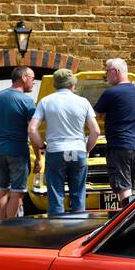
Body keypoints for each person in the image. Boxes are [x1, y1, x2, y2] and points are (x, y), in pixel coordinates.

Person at [29, 68, 99, 216]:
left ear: (56, 84)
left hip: (55, 151)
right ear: (72, 85)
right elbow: (96, 131)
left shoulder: (45, 101)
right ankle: (79, 226)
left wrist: (42, 146)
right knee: (79, 192)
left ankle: (57, 229)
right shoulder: (83, 102)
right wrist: (86, 149)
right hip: (77, 150)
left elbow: (32, 129)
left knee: (55, 194)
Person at [0, 66, 40, 220]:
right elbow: (32, 130)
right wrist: (37, 156)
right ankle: (11, 227)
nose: (33, 82)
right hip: (18, 151)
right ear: (23, 78)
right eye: (32, 78)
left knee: (2, 190)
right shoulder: (27, 101)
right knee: (17, 192)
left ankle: (1, 225)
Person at [94, 58, 135, 205]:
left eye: (107, 71)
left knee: (123, 187)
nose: (106, 75)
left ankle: (125, 220)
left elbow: (96, 114)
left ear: (115, 72)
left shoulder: (111, 93)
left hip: (120, 145)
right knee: (131, 185)